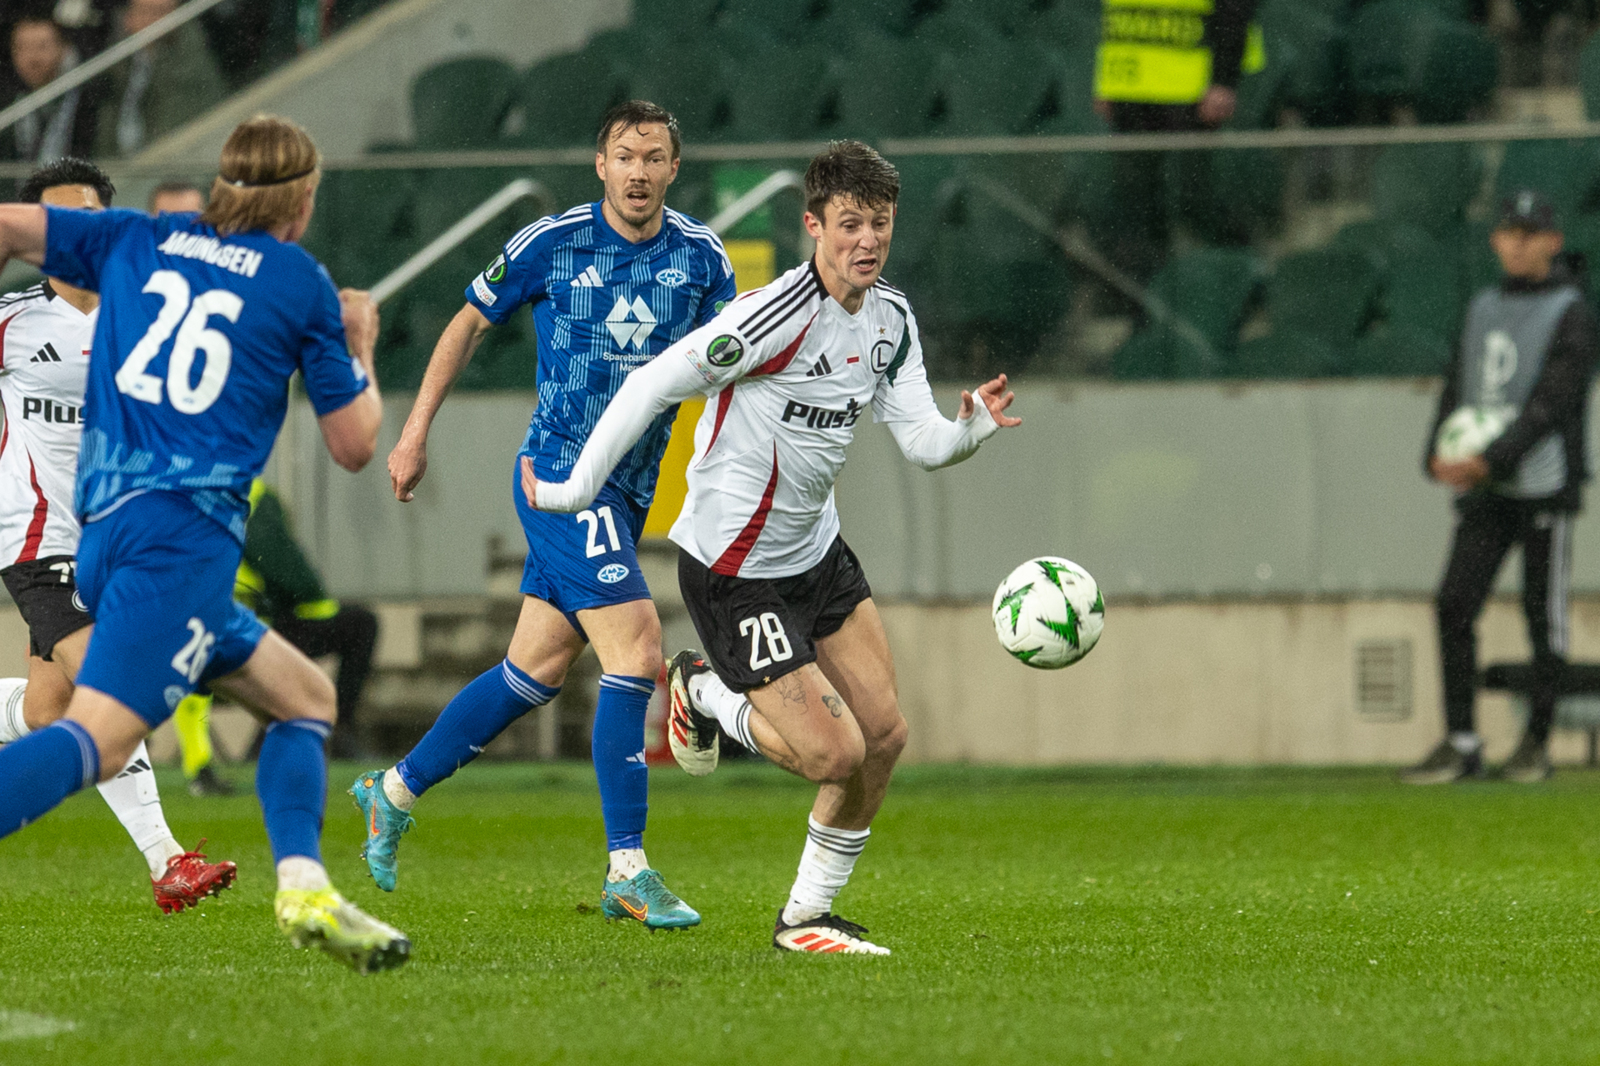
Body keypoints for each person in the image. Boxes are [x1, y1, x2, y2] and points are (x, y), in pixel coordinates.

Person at [529, 140, 1021, 954]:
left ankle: (805, 919)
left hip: (818, 559)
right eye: (851, 223)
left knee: (886, 738)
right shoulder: (772, 318)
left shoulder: (890, 319)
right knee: (837, 755)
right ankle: (709, 696)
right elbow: (653, 381)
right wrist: (578, 486)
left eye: (882, 224)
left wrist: (971, 427)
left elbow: (924, 442)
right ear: (813, 225)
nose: (868, 241)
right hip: (733, 572)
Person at [0, 114, 410, 973]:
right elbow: (354, 444)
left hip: (109, 534)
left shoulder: (139, 237)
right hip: (178, 542)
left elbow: (9, 223)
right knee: (99, 739)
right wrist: (362, 348)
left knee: (304, 699)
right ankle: (238, 873)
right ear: (300, 201)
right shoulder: (297, 280)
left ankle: (304, 886)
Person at [353, 99, 737, 929]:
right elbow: (466, 323)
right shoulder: (551, 242)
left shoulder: (703, 260)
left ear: (675, 169)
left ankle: (389, 792)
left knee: (535, 671)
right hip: (559, 476)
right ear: (600, 165)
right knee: (635, 647)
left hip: (630, 488)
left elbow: (731, 369)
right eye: (624, 156)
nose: (639, 171)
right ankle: (627, 870)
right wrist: (414, 432)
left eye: (655, 157)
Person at [0, 156, 236, 912]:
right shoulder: (12, 321)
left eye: (90, 218)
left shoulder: (152, 314)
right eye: (57, 220)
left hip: (117, 539)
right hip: (39, 538)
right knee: (112, 682)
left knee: (47, 711)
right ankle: (167, 860)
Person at [1403, 190, 1600, 786]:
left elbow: (1554, 401)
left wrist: (1492, 458)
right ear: (1495, 240)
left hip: (1542, 486)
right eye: (1508, 232)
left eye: (1530, 233)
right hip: (1486, 489)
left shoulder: (1571, 308)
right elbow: (1457, 383)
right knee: (1454, 603)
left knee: (1546, 618)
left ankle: (1535, 744)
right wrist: (1436, 452)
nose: (1517, 243)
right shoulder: (1482, 304)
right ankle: (1462, 741)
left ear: (1552, 240)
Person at [174, 475, 381, 794]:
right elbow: (287, 570)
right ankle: (327, 734)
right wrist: (314, 600)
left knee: (189, 659)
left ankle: (203, 767)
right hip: (234, 625)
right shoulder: (252, 493)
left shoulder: (180, 487)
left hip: (217, 622)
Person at [1093, 0, 1262, 279]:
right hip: (1130, 86)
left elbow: (1234, 11)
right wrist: (1105, 79)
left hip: (1193, 90)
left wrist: (1224, 80)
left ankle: (1244, 270)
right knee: (1137, 199)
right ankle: (1152, 294)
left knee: (1195, 195)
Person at [95, 0, 225, 158]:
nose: (155, 21)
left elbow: (172, 125)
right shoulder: (123, 61)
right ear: (127, 18)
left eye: (162, 12)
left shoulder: (187, 60)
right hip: (119, 161)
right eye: (147, 12)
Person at [1, 14, 97, 163]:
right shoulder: (8, 102)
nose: (33, 58)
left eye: (42, 46)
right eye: (23, 48)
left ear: (63, 49)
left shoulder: (88, 99)